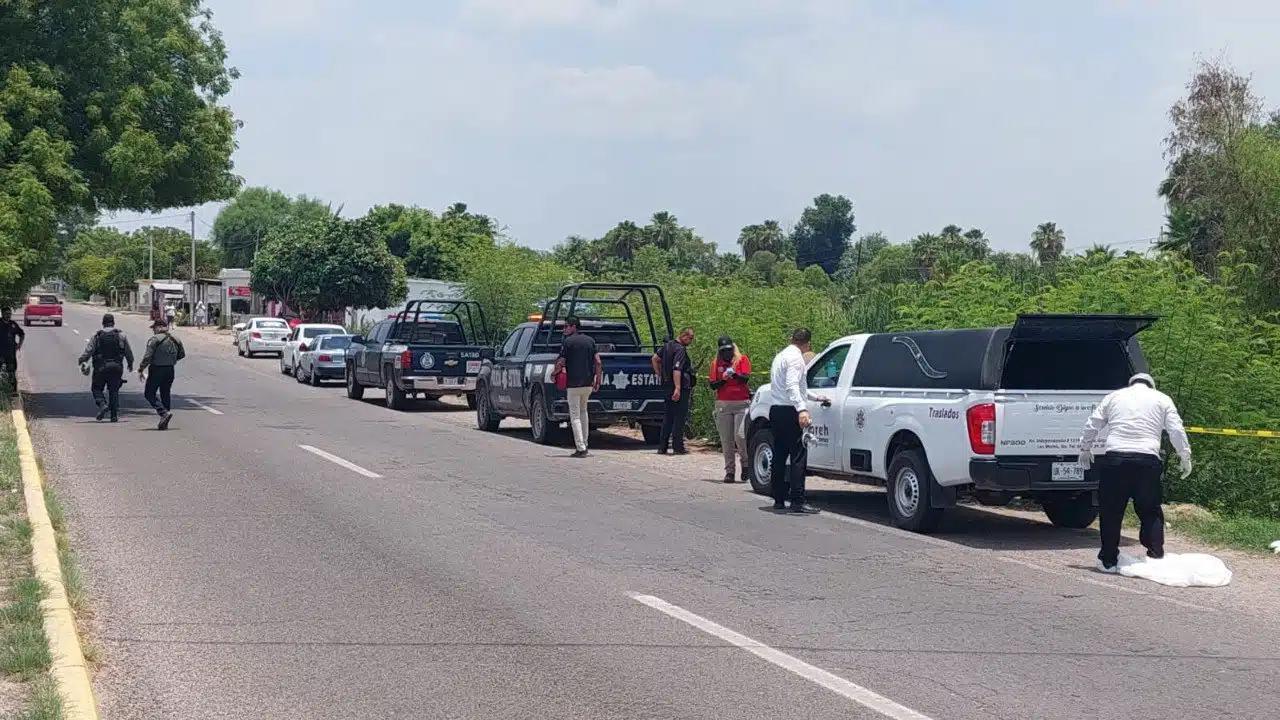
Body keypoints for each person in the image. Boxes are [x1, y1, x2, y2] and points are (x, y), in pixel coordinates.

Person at [1078, 372, 1192, 573]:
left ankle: (1108, 560)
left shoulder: (1114, 397)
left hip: (1115, 459)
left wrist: (1085, 449)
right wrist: (1185, 455)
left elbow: (1092, 423)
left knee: (1111, 511)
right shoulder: (1162, 399)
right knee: (1150, 510)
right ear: (1151, 385)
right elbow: (1176, 430)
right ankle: (1155, 554)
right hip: (1147, 460)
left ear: (1131, 383)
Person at [768, 328, 829, 513]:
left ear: (791, 339)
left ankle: (778, 498)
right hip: (789, 410)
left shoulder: (780, 356)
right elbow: (792, 385)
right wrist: (801, 409)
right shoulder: (796, 359)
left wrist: (815, 398)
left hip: (776, 409)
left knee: (779, 455)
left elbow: (797, 387)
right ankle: (797, 500)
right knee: (798, 456)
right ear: (807, 344)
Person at [553, 316, 601, 458]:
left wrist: (554, 373)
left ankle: (580, 448)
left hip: (573, 384)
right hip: (588, 383)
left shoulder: (568, 342)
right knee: (583, 412)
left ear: (574, 326)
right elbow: (598, 362)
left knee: (574, 416)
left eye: (566, 326)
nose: (564, 329)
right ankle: (585, 444)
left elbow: (561, 361)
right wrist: (598, 380)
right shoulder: (590, 341)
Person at [708, 335, 752, 483]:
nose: (726, 353)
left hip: (741, 403)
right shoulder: (715, 363)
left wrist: (734, 375)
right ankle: (730, 471)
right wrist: (723, 379)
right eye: (723, 350)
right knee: (727, 440)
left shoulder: (742, 360)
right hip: (723, 404)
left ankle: (746, 464)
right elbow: (713, 385)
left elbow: (746, 378)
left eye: (729, 350)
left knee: (740, 437)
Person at [78, 314, 134, 422]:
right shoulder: (121, 335)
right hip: (117, 366)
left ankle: (103, 405)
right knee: (114, 390)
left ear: (103, 323)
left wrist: (82, 360)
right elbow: (128, 352)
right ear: (113, 322)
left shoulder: (97, 336)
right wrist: (130, 363)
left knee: (96, 388)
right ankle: (114, 415)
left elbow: (89, 351)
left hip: (101, 366)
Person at [138, 319, 186, 430]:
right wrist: (170, 359)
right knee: (165, 393)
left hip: (156, 369)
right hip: (170, 369)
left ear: (159, 327)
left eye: (154, 328)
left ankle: (163, 413)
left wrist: (141, 369)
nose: (153, 330)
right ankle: (165, 419)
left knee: (149, 393)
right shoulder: (176, 339)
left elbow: (147, 356)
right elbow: (182, 354)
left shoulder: (155, 340)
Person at [655, 327, 695, 455]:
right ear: (684, 336)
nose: (691, 341)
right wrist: (677, 388)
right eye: (690, 338)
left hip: (667, 386)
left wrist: (659, 374)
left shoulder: (667, 346)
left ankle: (662, 446)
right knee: (679, 417)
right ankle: (678, 446)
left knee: (668, 417)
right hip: (679, 388)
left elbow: (655, 359)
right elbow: (677, 369)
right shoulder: (680, 350)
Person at [0, 307, 23, 391]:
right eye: (6, 314)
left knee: (11, 372)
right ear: (2, 314)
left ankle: (13, 391)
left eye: (10, 314)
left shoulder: (13, 324)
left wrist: (19, 345)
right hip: (0, 352)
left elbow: (21, 334)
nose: (8, 315)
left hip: (10, 353)